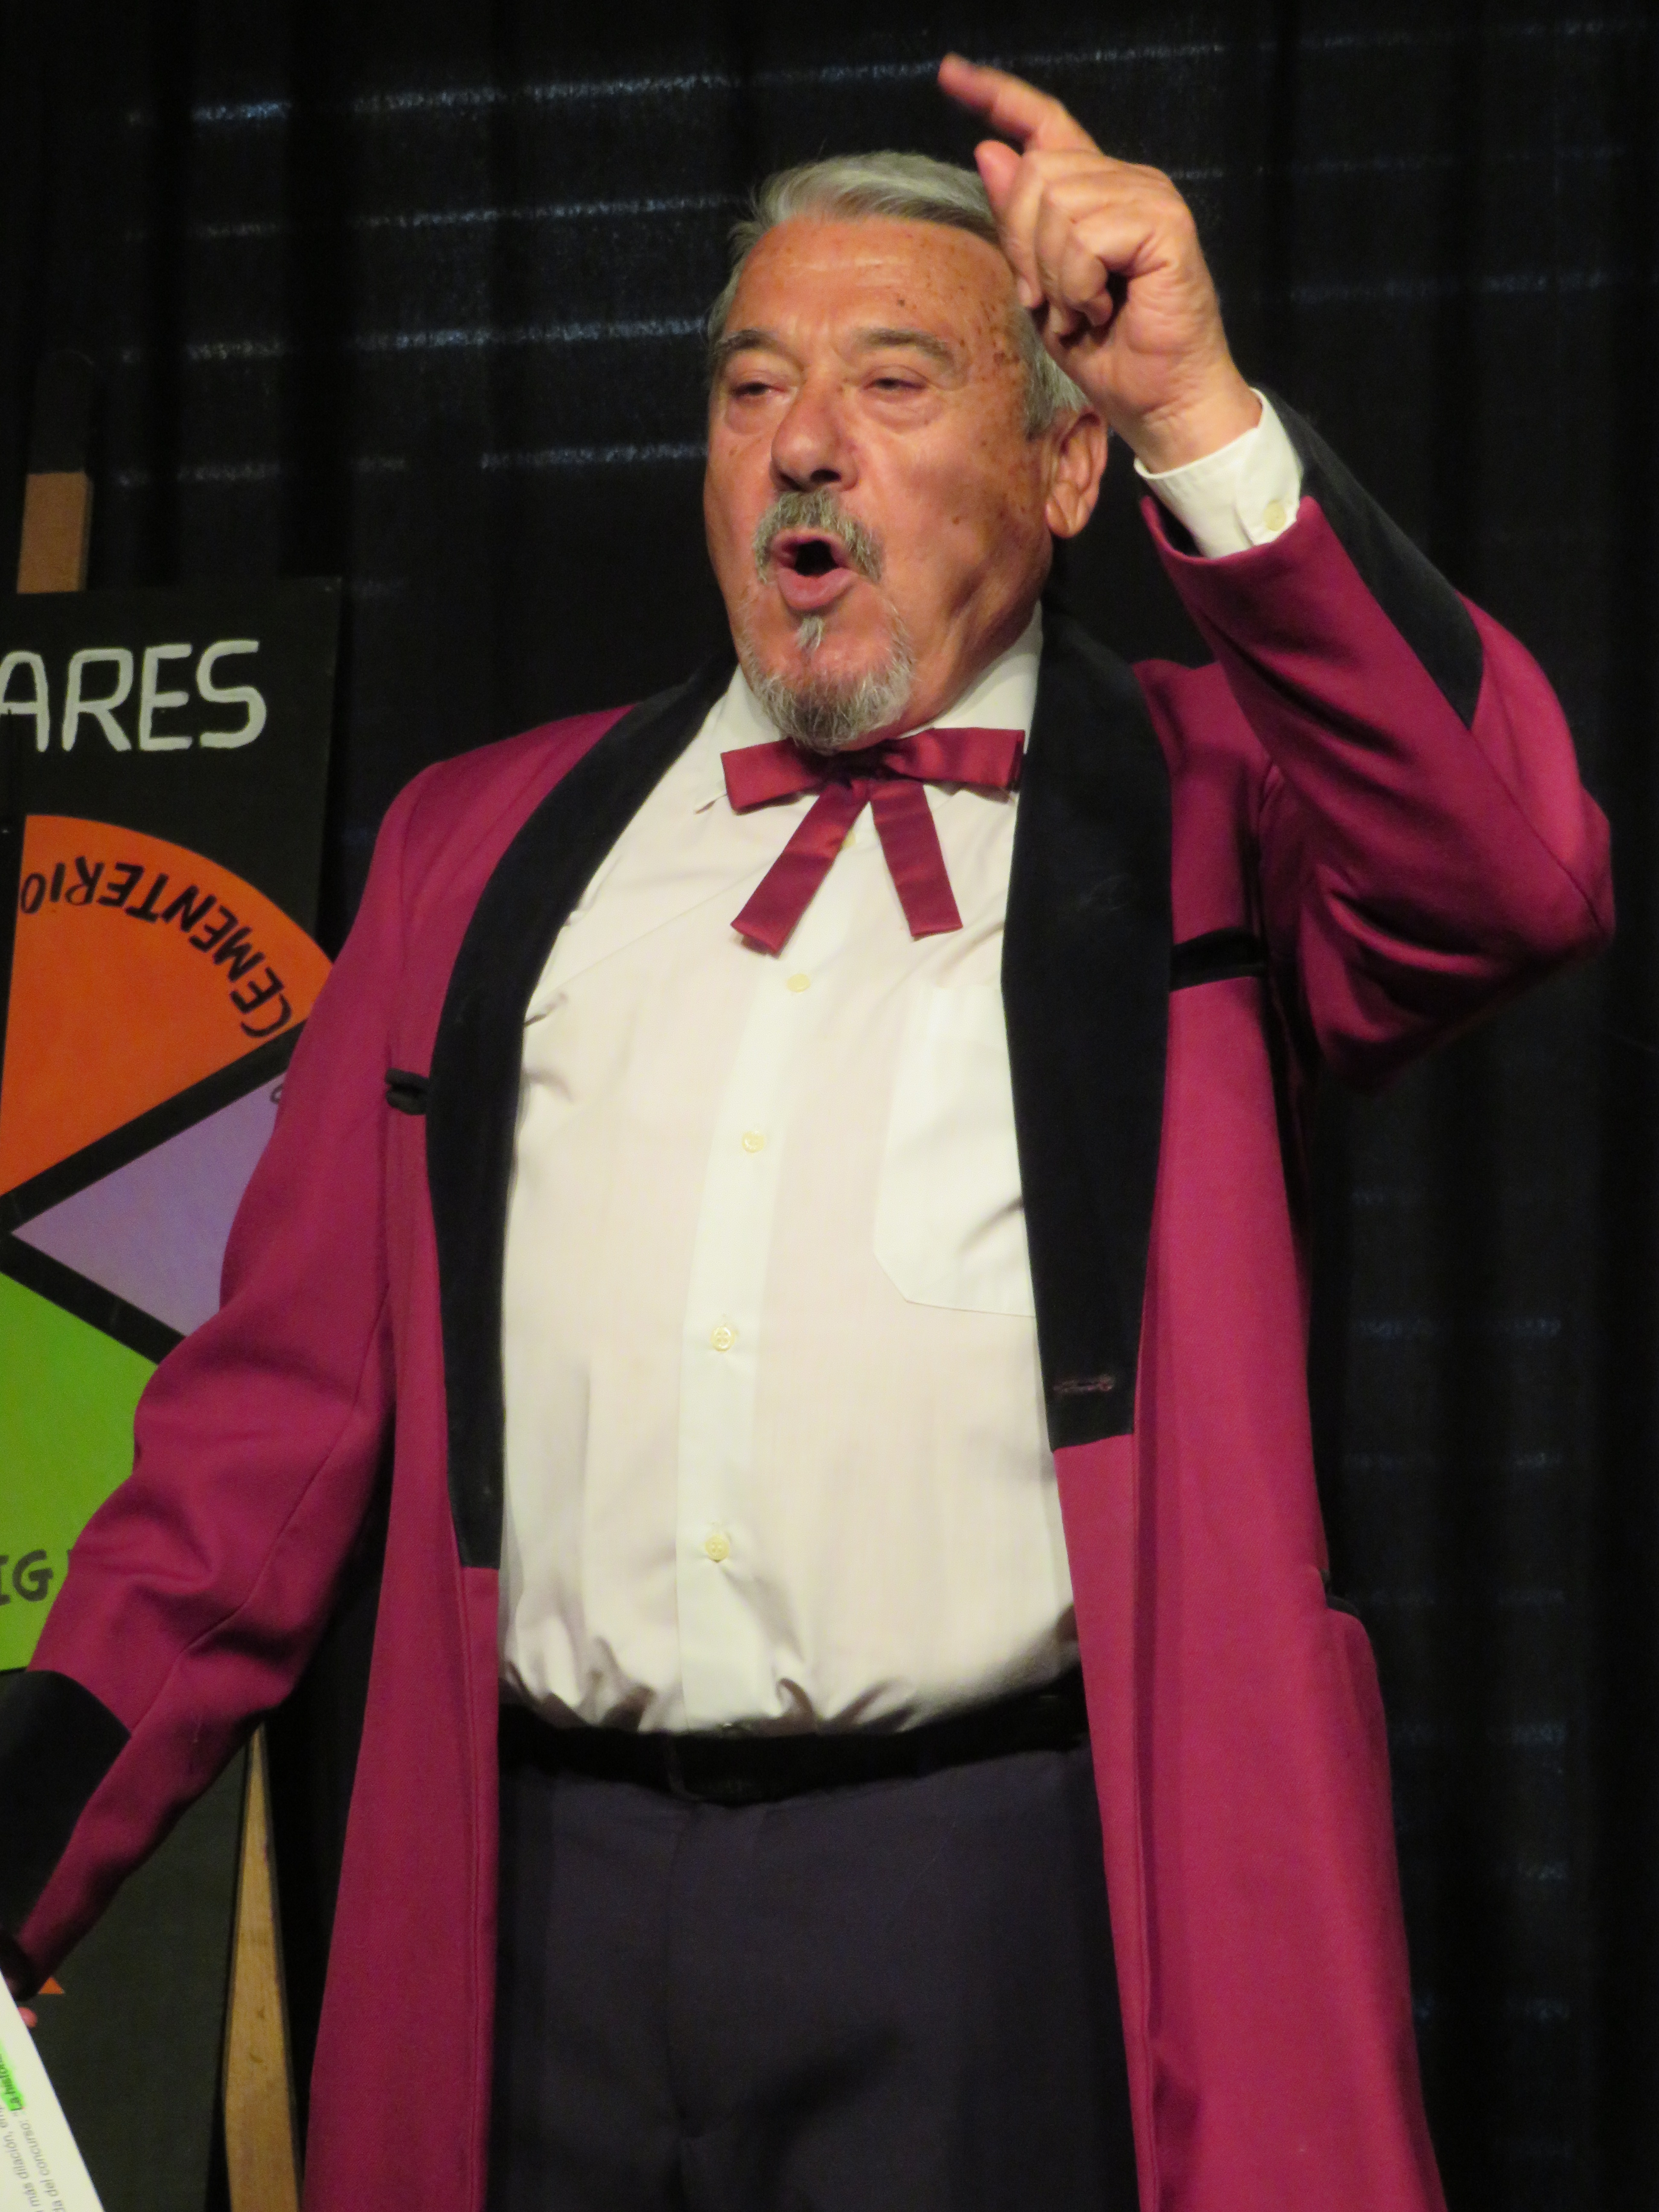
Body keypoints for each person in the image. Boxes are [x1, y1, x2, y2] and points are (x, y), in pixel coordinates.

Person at [0, 54, 1612, 2212]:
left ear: (1064, 466)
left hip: (991, 1914)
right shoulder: (478, 856)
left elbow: (1512, 875)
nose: (805, 442)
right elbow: (256, 1446)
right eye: (753, 387)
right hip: (533, 1921)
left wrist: (1199, 408)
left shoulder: (1212, 813)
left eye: (893, 382)